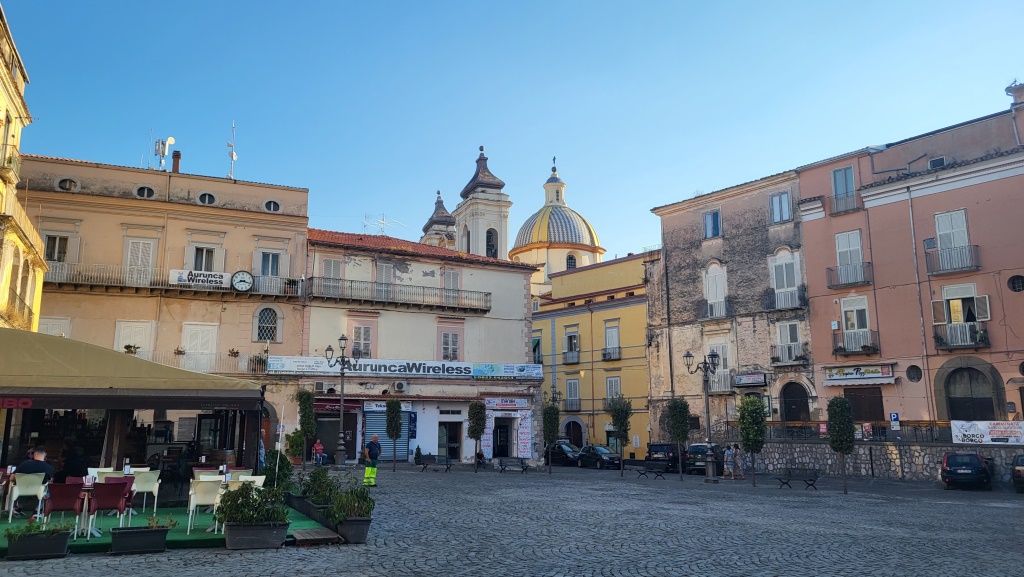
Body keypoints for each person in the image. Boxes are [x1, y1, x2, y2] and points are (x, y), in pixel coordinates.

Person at [13, 447, 54, 519]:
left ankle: (18, 507)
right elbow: (50, 481)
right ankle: (37, 510)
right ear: (45, 455)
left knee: (23, 484)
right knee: (46, 488)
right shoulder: (48, 467)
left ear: (34, 454)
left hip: (22, 490)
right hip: (38, 491)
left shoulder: (24, 464)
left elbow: (12, 478)